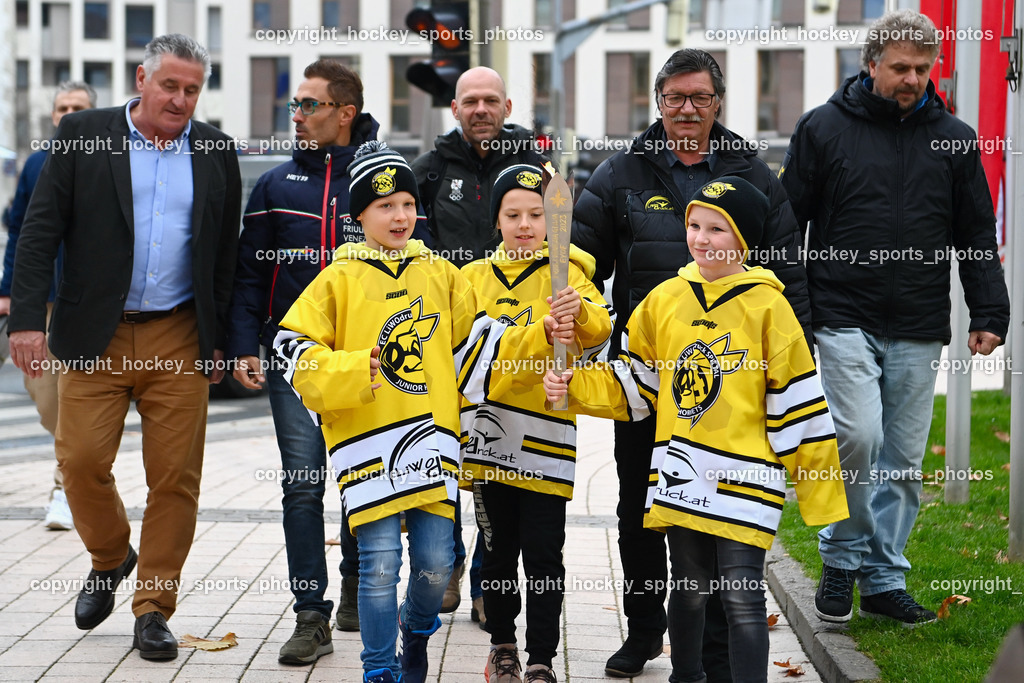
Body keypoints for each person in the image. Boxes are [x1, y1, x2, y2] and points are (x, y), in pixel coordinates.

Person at [273, 142, 570, 683]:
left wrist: (539, 334)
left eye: (408, 203)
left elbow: (480, 348)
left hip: (432, 444)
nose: (400, 215)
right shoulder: (337, 278)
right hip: (366, 445)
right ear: (358, 215)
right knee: (379, 564)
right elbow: (291, 345)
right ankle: (380, 668)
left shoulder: (442, 274)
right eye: (385, 206)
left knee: (435, 567)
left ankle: (417, 633)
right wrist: (350, 370)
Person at [544, 177, 849, 683]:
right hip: (681, 473)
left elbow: (799, 403)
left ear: (745, 241)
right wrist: (575, 385)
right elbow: (637, 383)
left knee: (742, 598)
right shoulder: (664, 300)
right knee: (687, 592)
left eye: (717, 229)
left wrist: (820, 492)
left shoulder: (769, 307)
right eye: (693, 225)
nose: (701, 238)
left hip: (745, 477)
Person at [570, 48, 811, 678]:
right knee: (639, 510)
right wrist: (566, 302)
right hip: (648, 374)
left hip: (730, 390)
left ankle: (716, 654)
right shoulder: (619, 172)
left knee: (721, 514)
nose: (686, 109)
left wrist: (794, 364)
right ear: (658, 101)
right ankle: (647, 631)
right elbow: (581, 255)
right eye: (675, 97)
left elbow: (787, 272)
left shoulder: (753, 174)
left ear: (717, 102)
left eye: (699, 98)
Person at [8, 34, 240, 660]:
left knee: (174, 480)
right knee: (80, 461)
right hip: (95, 334)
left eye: (193, 89)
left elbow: (224, 256)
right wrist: (25, 321)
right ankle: (111, 556)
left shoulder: (216, 151)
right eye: (170, 85)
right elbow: (39, 232)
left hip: (179, 332)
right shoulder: (85, 134)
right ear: (141, 78)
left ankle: (153, 608)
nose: (181, 99)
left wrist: (221, 338)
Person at [781, 9, 1010, 627]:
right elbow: (787, 224)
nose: (912, 78)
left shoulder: (955, 139)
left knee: (904, 460)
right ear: (872, 63)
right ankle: (841, 557)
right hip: (839, 311)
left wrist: (989, 309)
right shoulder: (821, 129)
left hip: (917, 318)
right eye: (900, 67)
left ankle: (883, 577)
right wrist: (790, 311)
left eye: (922, 67)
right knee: (857, 438)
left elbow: (974, 233)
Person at [228, 58, 380, 664]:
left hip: (366, 362)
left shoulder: (380, 179)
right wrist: (245, 343)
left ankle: (352, 588)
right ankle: (310, 614)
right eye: (294, 105)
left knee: (359, 481)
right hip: (293, 360)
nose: (297, 116)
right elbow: (250, 274)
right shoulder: (273, 186)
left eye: (308, 105)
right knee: (302, 485)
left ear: (344, 112)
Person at [461, 164, 613, 683]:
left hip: (548, 439)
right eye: (513, 215)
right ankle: (502, 645)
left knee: (546, 555)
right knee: (498, 550)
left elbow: (597, 329)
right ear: (496, 220)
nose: (525, 224)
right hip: (487, 439)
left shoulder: (569, 273)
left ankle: (542, 658)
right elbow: (459, 352)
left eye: (536, 214)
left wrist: (579, 314)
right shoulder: (471, 278)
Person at [412, 65, 549, 624]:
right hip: (449, 338)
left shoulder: (535, 164)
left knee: (498, 462)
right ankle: (451, 566)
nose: (481, 109)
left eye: (491, 100)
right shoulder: (429, 169)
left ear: (507, 105)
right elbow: (410, 245)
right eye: (471, 101)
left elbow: (558, 231)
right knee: (450, 457)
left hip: (516, 342)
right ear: (455, 109)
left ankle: (488, 591)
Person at [0, 80, 96, 531]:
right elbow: (19, 232)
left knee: (77, 400)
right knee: (46, 401)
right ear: (53, 114)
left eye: (78, 107)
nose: (69, 113)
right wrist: (10, 293)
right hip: (42, 304)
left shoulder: (108, 160)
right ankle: (74, 477)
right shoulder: (37, 164)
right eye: (63, 107)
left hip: (89, 306)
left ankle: (64, 489)